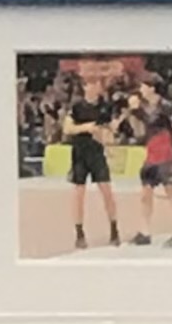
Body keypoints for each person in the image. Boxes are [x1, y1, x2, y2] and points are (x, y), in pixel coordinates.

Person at [64, 73, 120, 250]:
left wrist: (109, 134)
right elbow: (67, 128)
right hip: (80, 154)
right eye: (90, 84)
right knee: (78, 194)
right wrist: (87, 128)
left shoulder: (105, 107)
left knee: (107, 191)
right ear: (85, 87)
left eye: (97, 84)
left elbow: (110, 129)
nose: (94, 87)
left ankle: (114, 229)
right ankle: (79, 233)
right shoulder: (77, 107)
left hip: (97, 154)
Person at [131, 78, 172, 249]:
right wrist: (133, 109)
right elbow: (137, 126)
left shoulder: (165, 106)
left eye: (143, 87)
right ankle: (145, 232)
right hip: (151, 154)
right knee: (145, 194)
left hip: (166, 154)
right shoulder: (143, 107)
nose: (140, 90)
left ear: (152, 88)